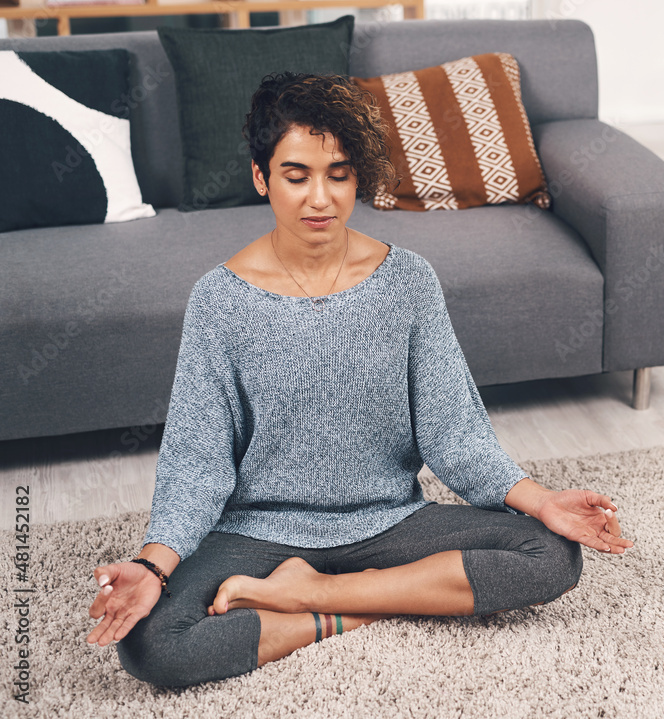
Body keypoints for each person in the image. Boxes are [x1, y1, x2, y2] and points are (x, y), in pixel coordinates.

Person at [86, 72, 633, 688]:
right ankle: (367, 600)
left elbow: (453, 433)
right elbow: (197, 461)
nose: (320, 198)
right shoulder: (219, 300)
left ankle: (309, 599)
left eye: (339, 174)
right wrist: (152, 566)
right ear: (261, 177)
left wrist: (544, 501)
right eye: (297, 177)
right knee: (151, 645)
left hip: (388, 522)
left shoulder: (409, 282)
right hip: (257, 532)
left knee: (551, 556)